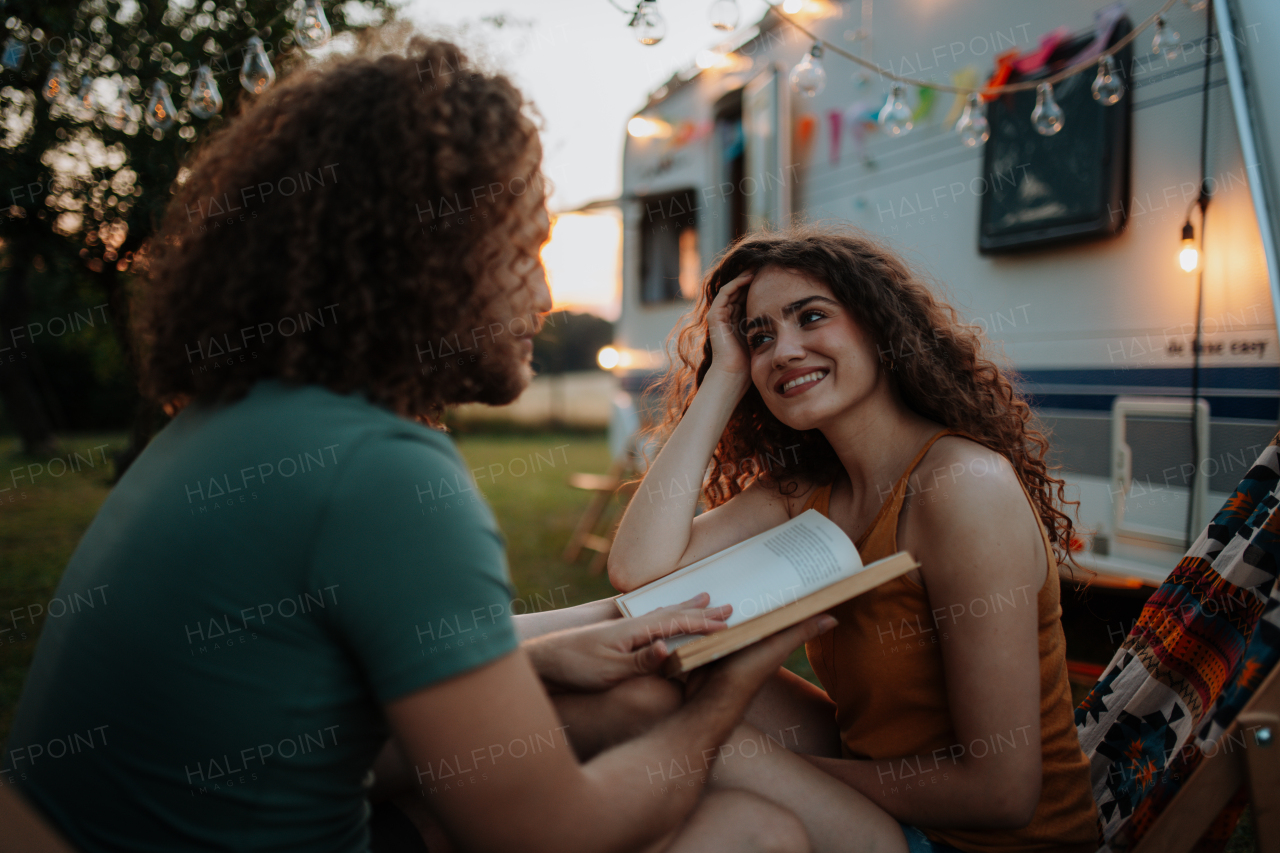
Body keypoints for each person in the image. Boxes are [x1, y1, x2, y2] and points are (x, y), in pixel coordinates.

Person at [2, 30, 833, 853]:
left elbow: (329, 671)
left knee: (631, 707)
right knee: (754, 830)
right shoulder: (379, 472)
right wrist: (730, 685)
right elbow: (553, 832)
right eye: (524, 250)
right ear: (424, 255)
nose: (543, 295)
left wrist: (554, 650)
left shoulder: (240, 416)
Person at [609, 225, 1101, 853]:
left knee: (668, 733)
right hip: (880, 790)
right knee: (651, 679)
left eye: (810, 317)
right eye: (760, 337)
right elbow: (638, 571)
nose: (783, 350)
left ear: (878, 327)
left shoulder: (961, 485)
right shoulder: (806, 489)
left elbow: (1002, 793)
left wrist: (759, 769)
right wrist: (724, 376)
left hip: (979, 842)